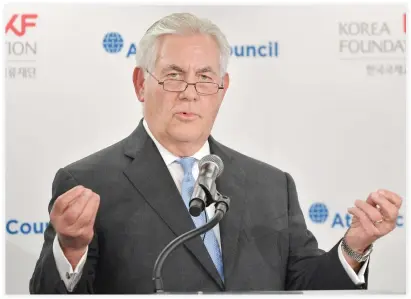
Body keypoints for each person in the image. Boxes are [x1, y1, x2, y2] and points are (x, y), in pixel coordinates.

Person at [29, 12, 402, 294]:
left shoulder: (272, 186)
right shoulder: (89, 182)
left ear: (222, 89)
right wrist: (72, 249)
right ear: (142, 83)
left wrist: (353, 249)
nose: (190, 92)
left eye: (205, 77)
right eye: (173, 75)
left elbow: (307, 286)